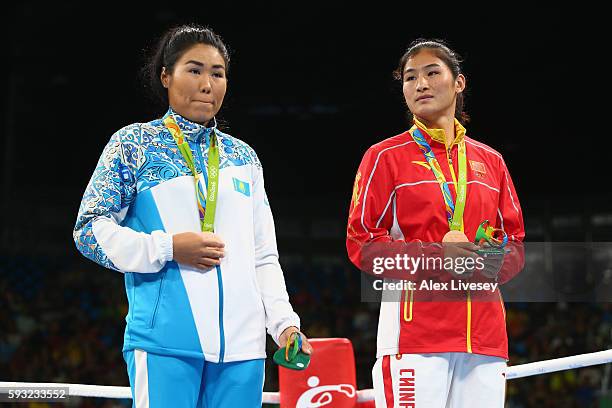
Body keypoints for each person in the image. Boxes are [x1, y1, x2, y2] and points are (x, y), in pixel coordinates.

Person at [74, 24, 312, 407]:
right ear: (166, 76)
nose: (207, 83)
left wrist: (284, 324)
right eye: (194, 70)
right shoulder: (134, 144)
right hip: (165, 342)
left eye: (217, 73)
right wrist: (167, 247)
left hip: (243, 352)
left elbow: (264, 255)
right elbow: (89, 230)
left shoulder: (244, 158)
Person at [346, 39, 525, 407]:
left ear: (458, 83)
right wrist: (435, 256)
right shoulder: (384, 157)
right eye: (410, 78)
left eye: (431, 73)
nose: (421, 84)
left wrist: (493, 261)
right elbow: (362, 245)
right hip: (416, 336)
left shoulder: (491, 161)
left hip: (485, 338)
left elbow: (515, 243)